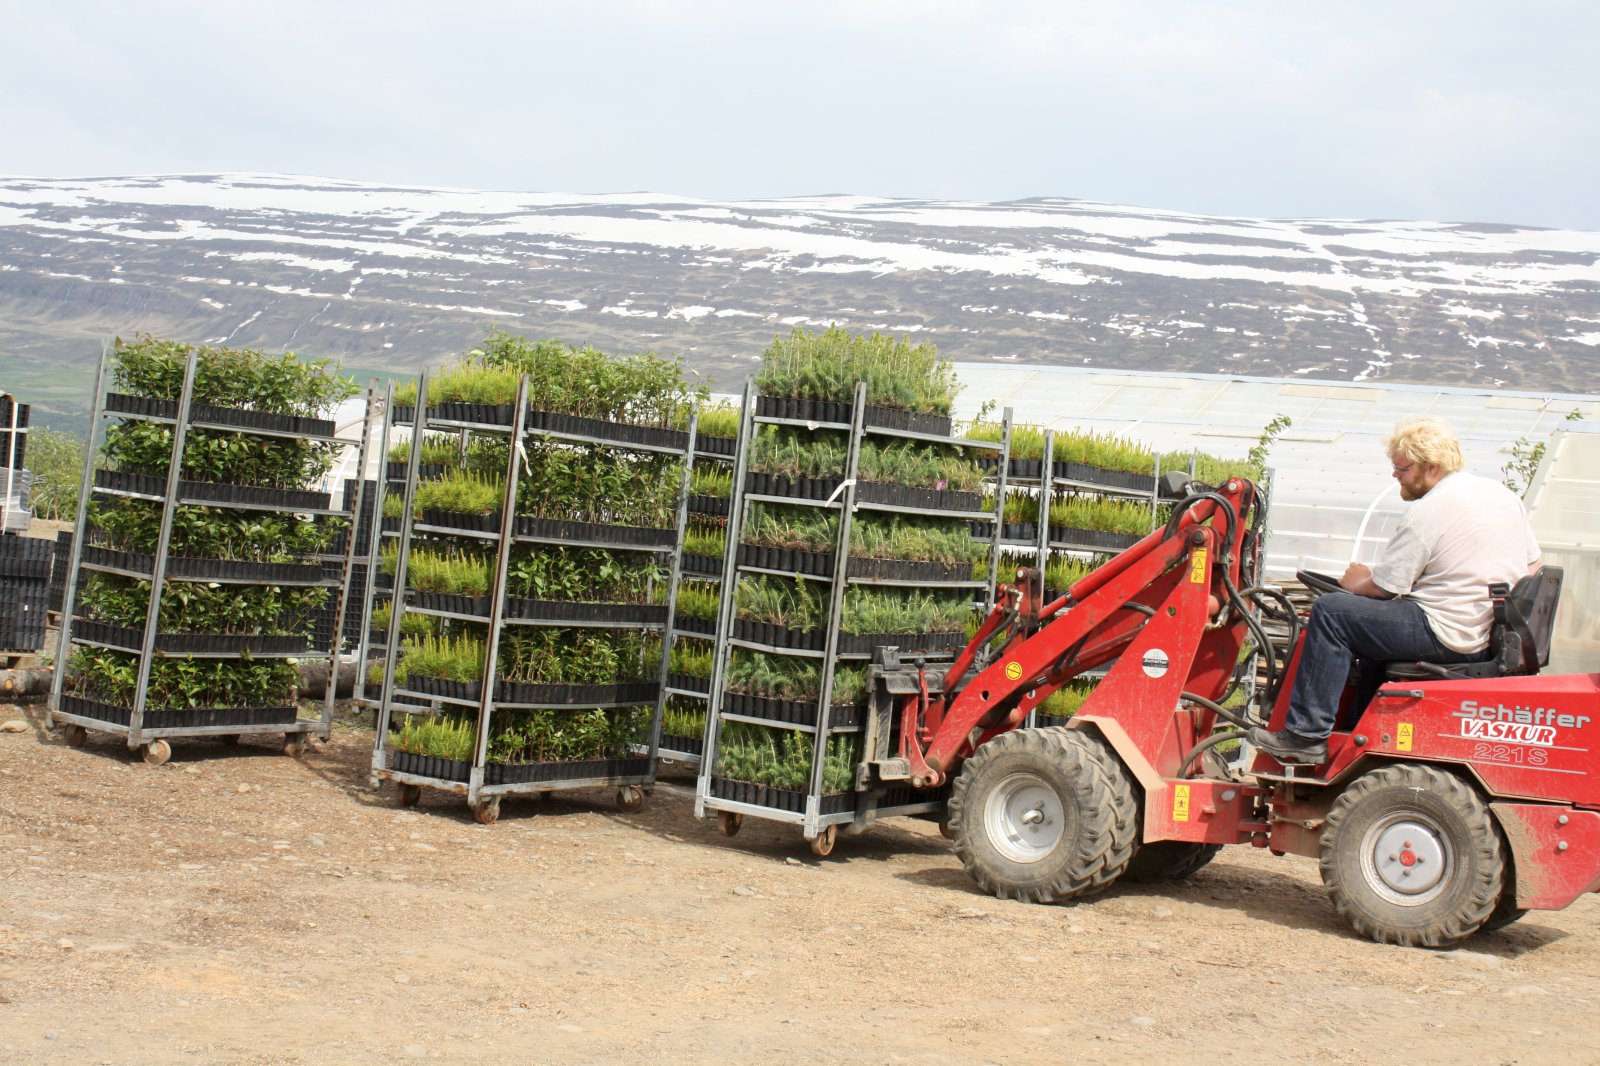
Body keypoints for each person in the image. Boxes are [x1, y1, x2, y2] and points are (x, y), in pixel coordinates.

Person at [1248, 416, 1543, 764]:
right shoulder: (1502, 496)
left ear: (1432, 467)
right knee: (1371, 635)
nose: (1395, 475)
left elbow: (1384, 588)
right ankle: (1360, 732)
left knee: (1332, 613)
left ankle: (1305, 735)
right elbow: (1534, 565)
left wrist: (1355, 581)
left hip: (1448, 632)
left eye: (1402, 469)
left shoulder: (1431, 510)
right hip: (1486, 635)